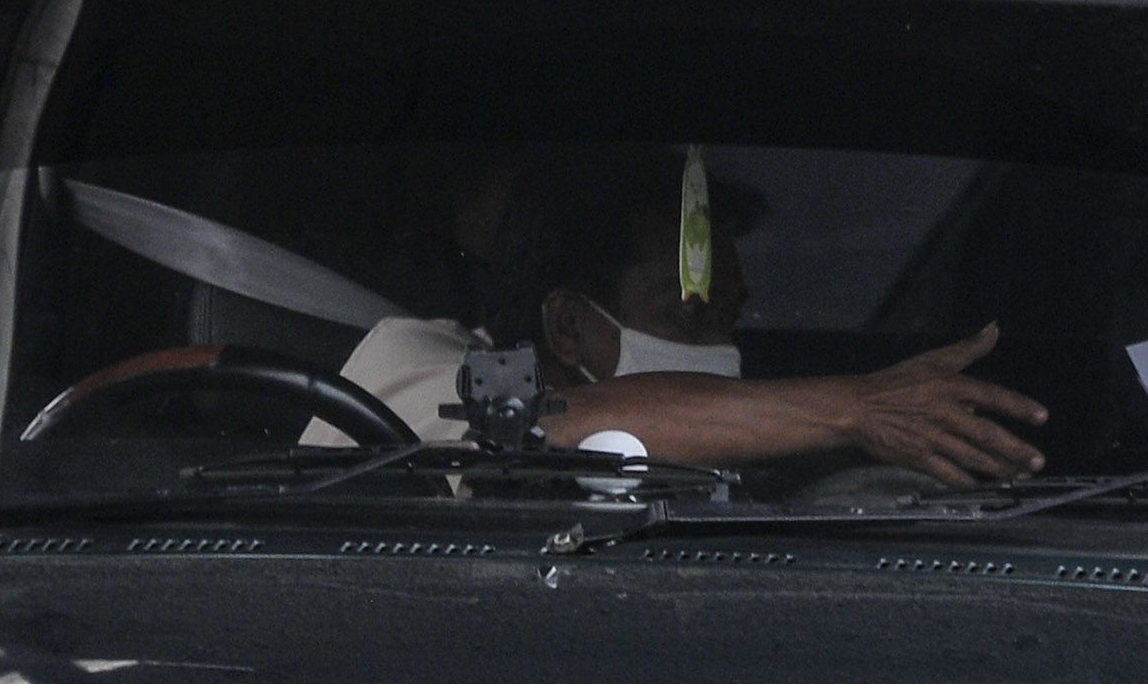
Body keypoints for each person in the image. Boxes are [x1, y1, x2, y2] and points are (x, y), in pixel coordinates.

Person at [312, 141, 1051, 485]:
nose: (722, 351)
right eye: (688, 314)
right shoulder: (416, 364)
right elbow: (552, 424)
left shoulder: (715, 466)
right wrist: (858, 408)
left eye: (727, 319)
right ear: (568, 324)